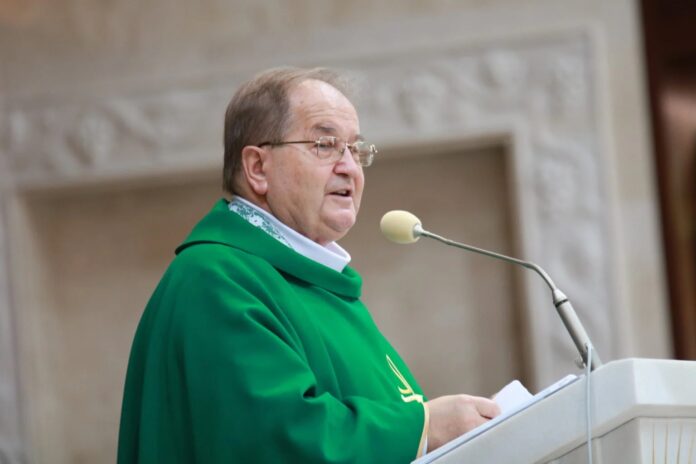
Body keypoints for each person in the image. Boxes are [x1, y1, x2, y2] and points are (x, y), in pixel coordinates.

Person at [117, 67, 500, 463]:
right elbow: (276, 442)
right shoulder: (217, 281)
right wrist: (423, 428)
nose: (349, 167)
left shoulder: (318, 286)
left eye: (356, 149)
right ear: (258, 168)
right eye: (324, 144)